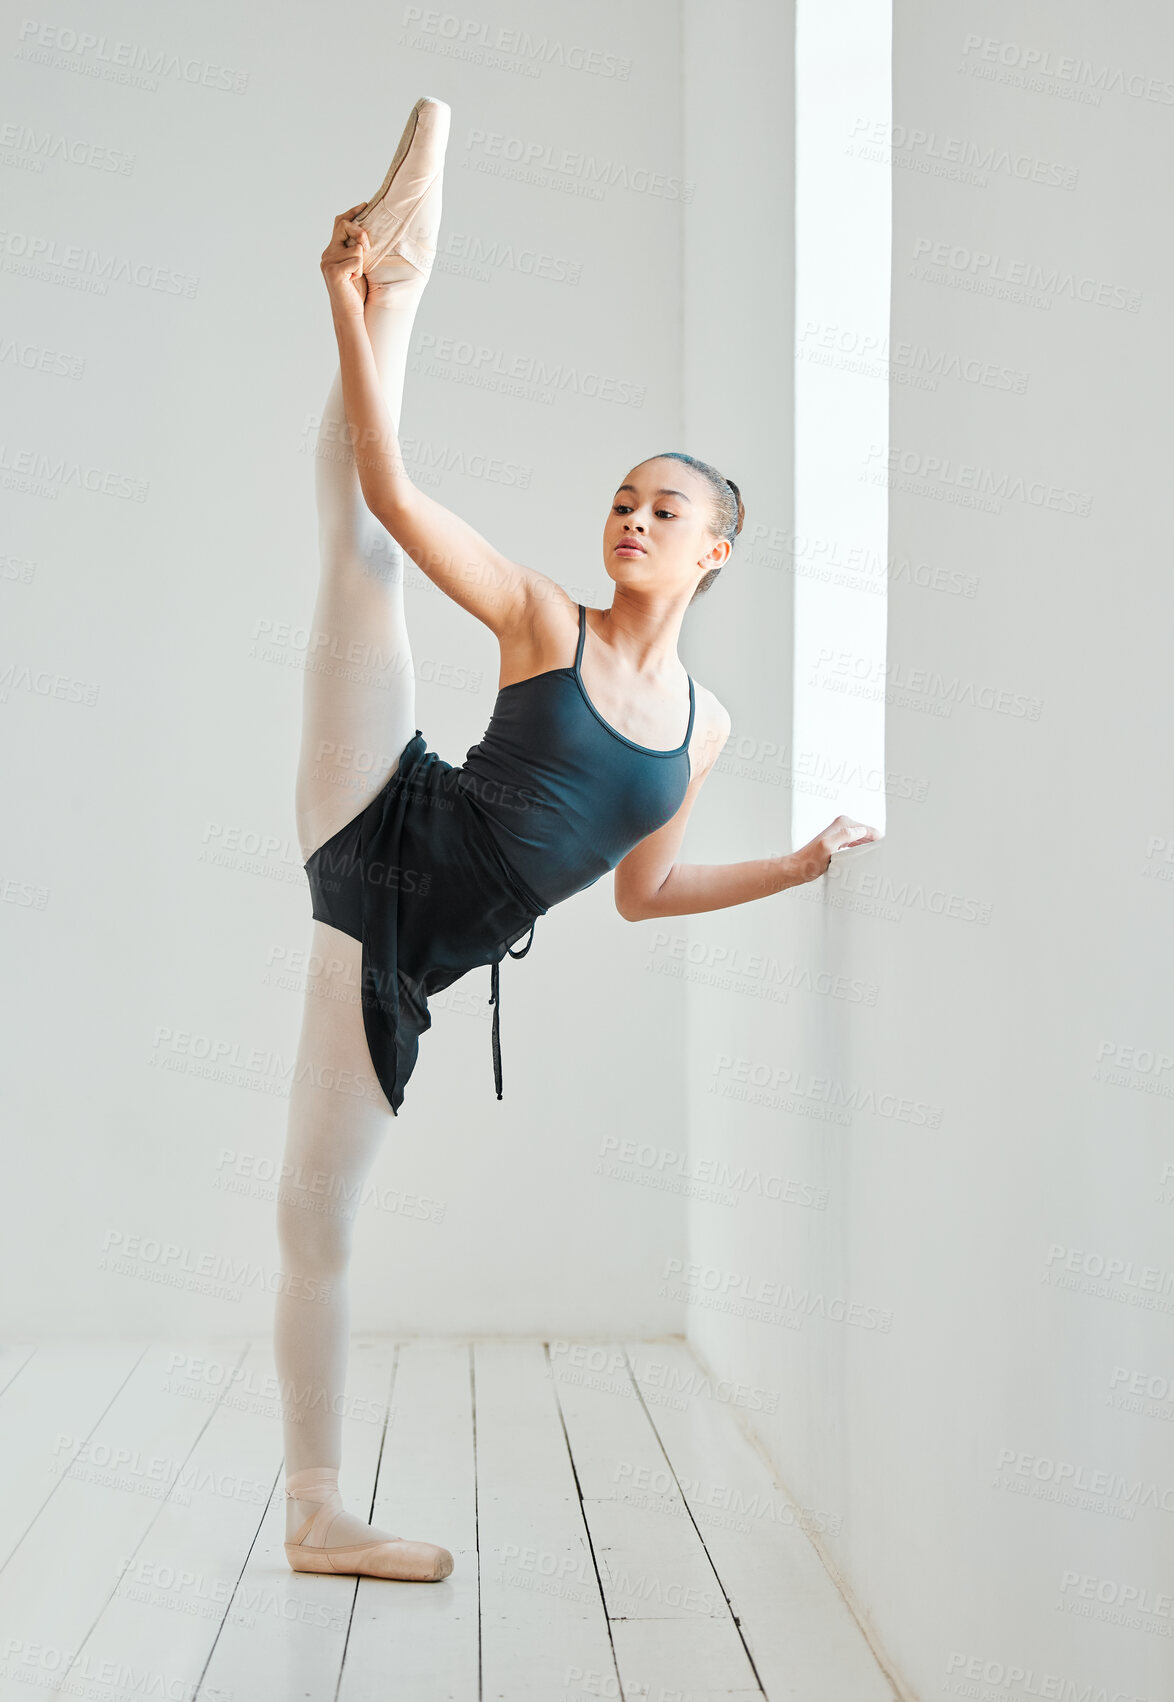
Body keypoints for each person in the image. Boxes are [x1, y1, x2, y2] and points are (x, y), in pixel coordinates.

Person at [274, 95, 879, 1583]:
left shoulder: (701, 731)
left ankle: (311, 1515)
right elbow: (397, 488)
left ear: (712, 547)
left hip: (406, 955)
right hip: (382, 814)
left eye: (660, 506)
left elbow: (641, 893)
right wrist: (345, 309)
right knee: (358, 550)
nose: (628, 515)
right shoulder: (544, 618)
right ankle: (395, 276)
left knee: (315, 1207)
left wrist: (797, 868)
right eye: (618, 497)